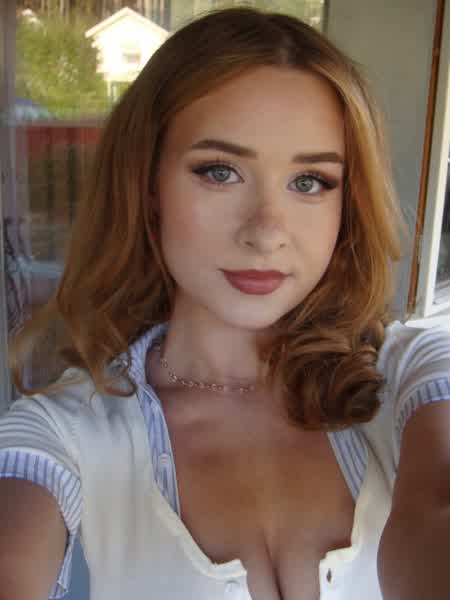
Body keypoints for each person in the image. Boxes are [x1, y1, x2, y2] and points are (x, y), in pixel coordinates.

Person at [1, 7, 450, 600]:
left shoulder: (411, 375)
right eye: (219, 172)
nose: (266, 232)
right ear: (147, 186)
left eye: (310, 182)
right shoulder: (62, 431)